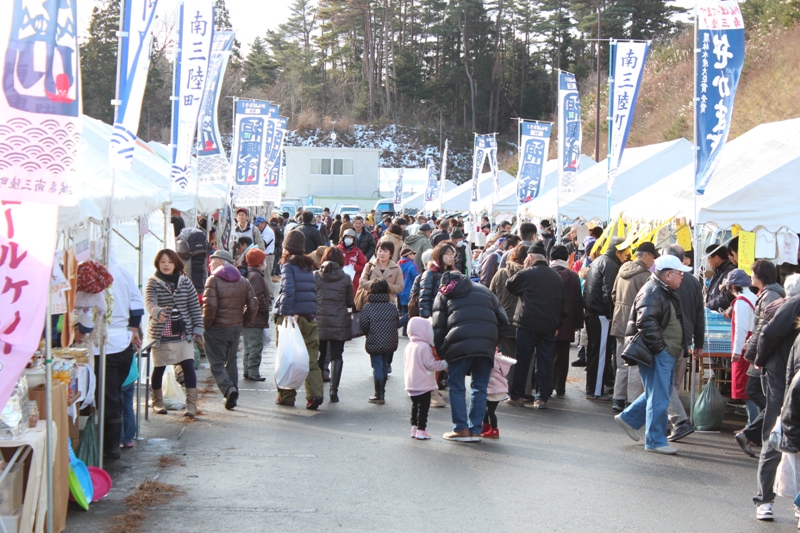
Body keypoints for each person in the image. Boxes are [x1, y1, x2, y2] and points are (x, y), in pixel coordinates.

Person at [614, 255, 692, 455]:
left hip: (664, 351)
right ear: (668, 274)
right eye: (679, 273)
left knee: (659, 393)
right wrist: (661, 349)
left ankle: (629, 418)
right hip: (659, 352)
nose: (682, 277)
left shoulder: (661, 289)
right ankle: (655, 440)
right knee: (659, 396)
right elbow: (646, 322)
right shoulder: (654, 291)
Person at [432, 271, 509, 442]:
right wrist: (493, 342)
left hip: (458, 345)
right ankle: (476, 430)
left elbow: (438, 328)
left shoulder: (444, 294)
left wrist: (443, 353)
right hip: (486, 346)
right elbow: (504, 321)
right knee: (479, 388)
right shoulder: (485, 290)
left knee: (457, 386)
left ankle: (461, 429)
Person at [752, 274, 800, 520]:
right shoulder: (793, 303)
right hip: (782, 379)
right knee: (777, 435)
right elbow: (768, 334)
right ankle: (764, 500)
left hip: (789, 378)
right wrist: (759, 361)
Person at [93, 253, 144, 459]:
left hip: (104, 344)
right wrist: (133, 329)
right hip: (123, 342)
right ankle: (113, 443)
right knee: (115, 394)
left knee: (108, 396)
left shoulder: (92, 273)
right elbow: (137, 302)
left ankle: (110, 447)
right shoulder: (123, 272)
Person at [505, 242, 567, 409]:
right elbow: (563, 305)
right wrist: (557, 324)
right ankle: (542, 398)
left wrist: (524, 269)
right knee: (544, 361)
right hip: (548, 325)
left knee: (522, 360)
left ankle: (517, 396)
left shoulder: (527, 273)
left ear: (530, 258)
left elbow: (510, 285)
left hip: (526, 323)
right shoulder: (556, 277)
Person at [145, 249, 203, 418]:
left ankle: (191, 405)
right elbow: (150, 302)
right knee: (159, 367)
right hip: (161, 333)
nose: (166, 265)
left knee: (188, 366)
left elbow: (194, 307)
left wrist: (198, 329)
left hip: (183, 332)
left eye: (169, 262)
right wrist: (157, 312)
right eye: (163, 262)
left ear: (175, 263)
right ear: (158, 263)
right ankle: (157, 402)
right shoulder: (153, 282)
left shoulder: (185, 282)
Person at [274, 230, 325, 409]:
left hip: (292, 318)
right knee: (311, 359)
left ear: (286, 247)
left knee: (288, 356)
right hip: (309, 317)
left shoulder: (287, 265)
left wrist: (286, 312)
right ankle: (315, 394)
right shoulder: (307, 265)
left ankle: (286, 395)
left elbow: (288, 290)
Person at [738, 259, 784, 454]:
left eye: (753, 272)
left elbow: (764, 328)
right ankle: (752, 433)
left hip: (764, 353)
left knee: (760, 394)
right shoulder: (768, 293)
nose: (750, 276)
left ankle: (755, 431)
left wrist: (751, 353)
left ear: (761, 276)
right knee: (758, 393)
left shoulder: (770, 294)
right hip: (762, 351)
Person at [202, 250, 258, 410]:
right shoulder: (243, 281)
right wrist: (244, 321)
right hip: (235, 326)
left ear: (221, 263)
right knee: (231, 360)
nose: (210, 264)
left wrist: (206, 325)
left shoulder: (213, 280)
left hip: (216, 328)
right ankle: (233, 392)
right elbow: (253, 305)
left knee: (216, 362)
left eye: (212, 261)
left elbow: (210, 307)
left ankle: (228, 389)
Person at [609, 242, 658, 412]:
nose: (653, 262)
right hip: (635, 324)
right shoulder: (645, 276)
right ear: (645, 255)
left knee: (622, 362)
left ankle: (618, 398)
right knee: (635, 364)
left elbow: (613, 294)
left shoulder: (621, 271)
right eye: (652, 257)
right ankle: (632, 402)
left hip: (619, 321)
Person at [663, 245, 704, 443]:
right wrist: (698, 342)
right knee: (673, 383)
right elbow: (699, 314)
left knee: (663, 382)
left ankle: (674, 422)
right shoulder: (694, 282)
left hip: (668, 339)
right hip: (684, 338)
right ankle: (671, 422)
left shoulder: (664, 281)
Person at [583, 237, 630, 401]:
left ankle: (593, 388)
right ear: (618, 251)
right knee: (600, 353)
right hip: (601, 314)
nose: (626, 257)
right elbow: (608, 292)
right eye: (625, 254)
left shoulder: (599, 260)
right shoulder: (610, 264)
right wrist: (611, 314)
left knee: (595, 351)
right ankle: (595, 391)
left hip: (592, 312)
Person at [314, 246, 354, 403]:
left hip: (320, 321)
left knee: (320, 354)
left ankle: (317, 388)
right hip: (339, 321)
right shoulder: (345, 278)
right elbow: (349, 302)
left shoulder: (316, 276)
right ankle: (333, 391)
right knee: (337, 356)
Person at [404, 317, 449, 440]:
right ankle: (421, 429)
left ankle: (414, 428)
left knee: (415, 406)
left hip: (411, 383)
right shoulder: (424, 347)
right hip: (424, 384)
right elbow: (431, 364)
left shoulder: (409, 346)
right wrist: (445, 364)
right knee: (423, 408)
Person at [550, 244, 584, 397]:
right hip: (567, 323)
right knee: (562, 357)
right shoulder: (573, 276)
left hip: (547, 322)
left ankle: (545, 386)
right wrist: (578, 324)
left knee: (546, 355)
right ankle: (560, 386)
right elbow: (578, 301)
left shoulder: (548, 273)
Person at [725, 269, 759, 424]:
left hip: (746, 348)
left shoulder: (741, 302)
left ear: (732, 287)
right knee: (752, 388)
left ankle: (752, 426)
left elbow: (741, 328)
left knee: (747, 389)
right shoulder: (755, 297)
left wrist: (736, 351)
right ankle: (752, 425)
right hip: (754, 346)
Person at [489, 243, 525, 384]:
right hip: (524, 321)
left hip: (504, 320)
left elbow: (491, 295)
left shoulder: (501, 273)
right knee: (525, 358)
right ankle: (523, 390)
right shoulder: (529, 274)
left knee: (506, 358)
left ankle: (505, 386)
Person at [359, 279, 399, 405]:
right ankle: (382, 391)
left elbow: (364, 324)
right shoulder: (392, 306)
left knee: (377, 366)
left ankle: (379, 394)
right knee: (384, 364)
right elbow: (397, 323)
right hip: (390, 341)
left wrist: (369, 334)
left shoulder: (368, 307)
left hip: (374, 340)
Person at [242, 248, 271, 382]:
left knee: (249, 346)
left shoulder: (249, 274)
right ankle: (253, 372)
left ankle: (247, 370)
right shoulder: (257, 276)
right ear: (259, 262)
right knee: (255, 346)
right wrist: (265, 310)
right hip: (256, 317)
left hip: (249, 317)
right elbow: (259, 297)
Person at [482, 351, 516, 439]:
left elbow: (491, 366)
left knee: (491, 412)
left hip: (496, 391)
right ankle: (486, 425)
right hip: (493, 390)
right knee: (482, 408)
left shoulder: (493, 360)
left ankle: (494, 430)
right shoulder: (495, 358)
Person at [705, 243, 736, 311]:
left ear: (716, 258)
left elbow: (724, 298)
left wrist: (707, 306)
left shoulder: (729, 273)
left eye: (708, 259)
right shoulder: (717, 272)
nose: (708, 262)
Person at [338, 228, 368, 296]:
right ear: (343, 238)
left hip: (353, 281)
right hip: (339, 279)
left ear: (353, 239)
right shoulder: (338, 249)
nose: (348, 239)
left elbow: (363, 266)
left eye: (350, 237)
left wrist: (354, 267)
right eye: (347, 237)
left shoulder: (357, 252)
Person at [397, 247, 419, 336]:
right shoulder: (412, 264)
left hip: (400, 291)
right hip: (410, 291)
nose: (413, 256)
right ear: (409, 255)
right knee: (410, 312)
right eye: (412, 254)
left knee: (404, 310)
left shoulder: (397, 264)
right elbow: (416, 277)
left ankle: (404, 331)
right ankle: (401, 326)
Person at [255, 216, 276, 284]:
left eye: (259, 225)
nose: (258, 226)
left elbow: (262, 244)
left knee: (267, 279)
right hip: (263, 255)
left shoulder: (268, 231)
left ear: (263, 223)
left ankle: (270, 294)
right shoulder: (262, 231)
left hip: (268, 256)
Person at [269, 216, 284, 281]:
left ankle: (271, 272)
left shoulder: (268, 227)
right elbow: (281, 235)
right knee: (276, 259)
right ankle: (276, 272)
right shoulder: (276, 228)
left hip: (270, 246)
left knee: (272, 259)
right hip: (276, 245)